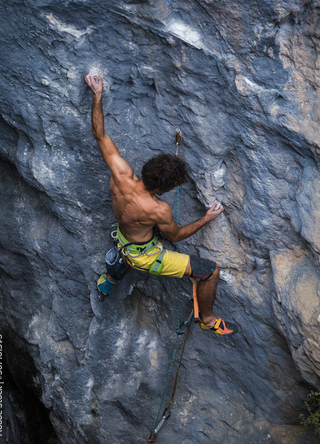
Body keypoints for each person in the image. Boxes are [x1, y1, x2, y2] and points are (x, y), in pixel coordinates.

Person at [85, 72, 238, 336]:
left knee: (129, 249)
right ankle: (208, 319)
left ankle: (108, 280)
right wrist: (206, 218)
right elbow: (176, 235)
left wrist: (97, 95)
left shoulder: (120, 174)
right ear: (164, 189)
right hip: (146, 256)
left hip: (123, 236)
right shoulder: (158, 209)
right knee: (210, 271)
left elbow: (100, 135)